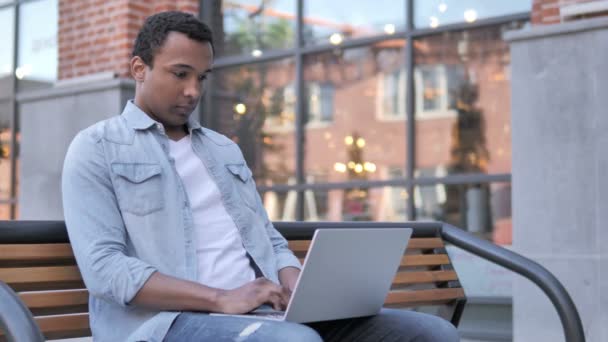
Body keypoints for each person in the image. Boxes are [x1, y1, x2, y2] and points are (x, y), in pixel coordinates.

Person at [62, 11, 459, 342]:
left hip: (261, 313)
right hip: (166, 323)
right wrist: (222, 298)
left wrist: (298, 286)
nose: (192, 91)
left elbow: (267, 238)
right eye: (180, 73)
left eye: (201, 77)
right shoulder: (97, 147)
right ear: (139, 69)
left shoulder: (222, 149)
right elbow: (105, 269)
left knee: (431, 332)